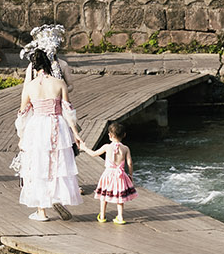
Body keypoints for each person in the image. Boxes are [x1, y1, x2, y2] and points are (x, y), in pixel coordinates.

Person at [14, 47, 81, 222]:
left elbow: (23, 113)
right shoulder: (59, 84)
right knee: (58, 164)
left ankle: (41, 211)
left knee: (38, 166)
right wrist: (75, 134)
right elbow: (68, 110)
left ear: (34, 67)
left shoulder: (30, 86)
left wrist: (21, 136)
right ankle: (57, 197)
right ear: (49, 64)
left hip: (36, 125)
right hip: (56, 124)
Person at [88, 122, 136, 224]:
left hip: (108, 174)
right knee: (120, 197)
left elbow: (93, 154)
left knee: (104, 195)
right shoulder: (125, 148)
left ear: (110, 135)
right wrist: (130, 175)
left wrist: (83, 147)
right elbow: (130, 163)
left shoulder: (106, 147)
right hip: (120, 175)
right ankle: (120, 217)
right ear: (124, 135)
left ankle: (102, 215)